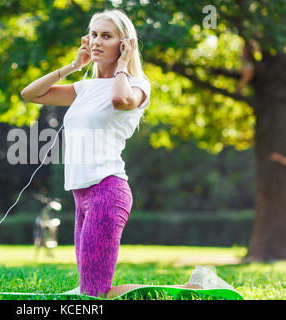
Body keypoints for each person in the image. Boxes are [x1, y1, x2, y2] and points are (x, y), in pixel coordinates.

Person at [21, 9, 235, 299]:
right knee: (91, 292)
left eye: (106, 36)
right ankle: (192, 287)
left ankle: (193, 289)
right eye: (93, 34)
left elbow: (120, 101)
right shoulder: (85, 88)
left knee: (95, 295)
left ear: (124, 44)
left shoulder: (137, 84)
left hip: (107, 192)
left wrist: (123, 63)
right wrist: (72, 66)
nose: (96, 41)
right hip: (81, 196)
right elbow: (30, 94)